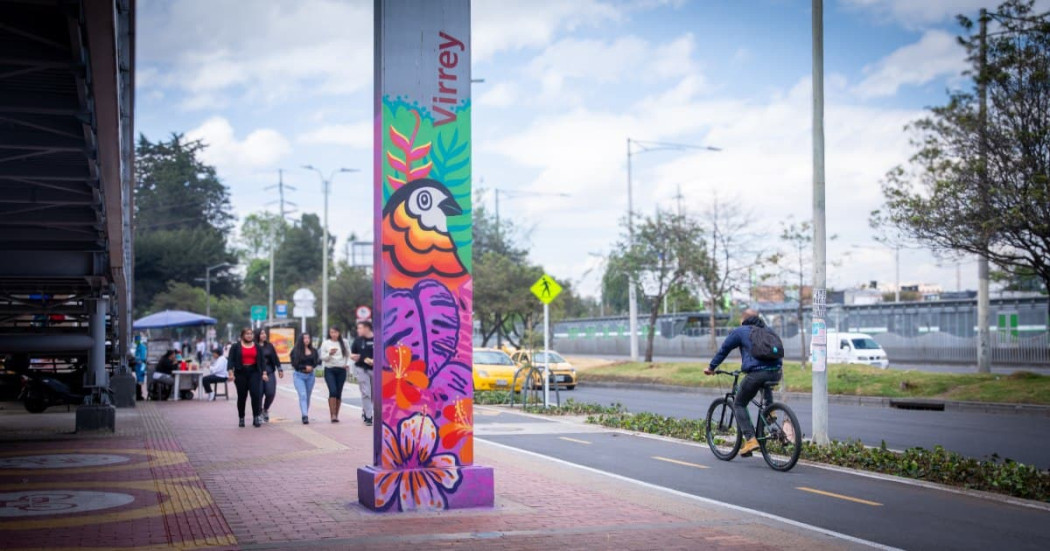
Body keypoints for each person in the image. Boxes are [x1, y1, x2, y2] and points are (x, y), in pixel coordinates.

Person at [704, 309, 783, 457]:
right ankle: (770, 410)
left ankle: (751, 440)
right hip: (776, 372)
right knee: (763, 380)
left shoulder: (740, 331)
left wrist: (711, 367)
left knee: (739, 403)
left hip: (756, 373)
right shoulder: (768, 330)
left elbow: (724, 350)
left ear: (743, 319)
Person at [227, 327, 267, 427]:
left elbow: (262, 361)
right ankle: (241, 418)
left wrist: (264, 373)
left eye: (251, 334)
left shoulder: (257, 347)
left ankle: (256, 417)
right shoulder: (235, 347)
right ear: (242, 335)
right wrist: (231, 373)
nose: (249, 336)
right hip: (240, 373)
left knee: (255, 395)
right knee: (242, 396)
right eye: (247, 334)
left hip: (254, 372)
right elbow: (230, 361)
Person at [320, 326, 350, 423]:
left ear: (339, 333)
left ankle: (336, 415)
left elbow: (349, 355)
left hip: (341, 369)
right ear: (329, 333)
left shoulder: (344, 342)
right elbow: (322, 357)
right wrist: (329, 354)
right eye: (332, 332)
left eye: (336, 332)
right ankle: (332, 414)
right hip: (330, 369)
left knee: (338, 392)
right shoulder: (326, 343)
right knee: (332, 391)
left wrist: (347, 364)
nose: (334, 334)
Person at [256, 327, 284, 422]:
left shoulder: (269, 346)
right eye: (261, 333)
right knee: (258, 394)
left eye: (264, 333)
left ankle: (265, 409)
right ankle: (258, 413)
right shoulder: (254, 346)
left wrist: (279, 368)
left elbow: (275, 358)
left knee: (270, 392)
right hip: (257, 373)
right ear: (257, 335)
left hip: (269, 372)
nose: (264, 335)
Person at [350, 321, 375, 426]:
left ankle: (366, 411)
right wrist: (353, 357)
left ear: (367, 328)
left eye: (360, 328)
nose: (358, 330)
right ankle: (369, 416)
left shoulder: (378, 339)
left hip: (376, 370)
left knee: (374, 394)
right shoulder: (358, 340)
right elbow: (352, 354)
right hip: (361, 368)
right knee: (366, 392)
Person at [290, 332, 319, 424]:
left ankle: (305, 412)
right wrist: (304, 367)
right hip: (299, 375)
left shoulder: (313, 351)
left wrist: (312, 367)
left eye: (308, 338)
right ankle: (305, 416)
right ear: (301, 340)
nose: (306, 340)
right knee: (303, 395)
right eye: (304, 338)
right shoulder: (295, 351)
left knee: (308, 396)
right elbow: (294, 364)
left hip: (310, 376)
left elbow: (316, 361)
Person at [133, 335, 148, 401]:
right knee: (139, 380)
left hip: (141, 365)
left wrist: (138, 360)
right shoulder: (138, 347)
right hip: (138, 365)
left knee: (140, 379)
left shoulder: (142, 347)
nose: (135, 341)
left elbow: (142, 357)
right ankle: (139, 394)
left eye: (136, 340)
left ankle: (140, 395)